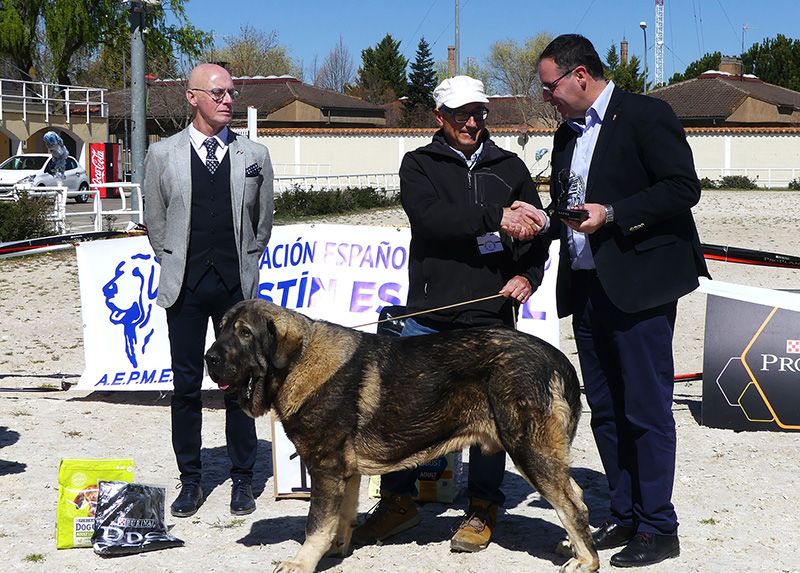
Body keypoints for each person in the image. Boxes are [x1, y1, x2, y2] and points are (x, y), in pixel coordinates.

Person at [526, 34, 710, 567]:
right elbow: (568, 204)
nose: (547, 97)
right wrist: (543, 219)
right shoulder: (567, 135)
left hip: (639, 286)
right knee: (604, 409)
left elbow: (682, 188)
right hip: (585, 286)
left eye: (549, 86)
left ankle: (659, 525)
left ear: (580, 75)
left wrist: (616, 212)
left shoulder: (647, 115)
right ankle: (626, 512)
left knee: (646, 408)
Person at [352, 75, 549, 553]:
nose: (471, 120)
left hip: (491, 313)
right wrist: (495, 218)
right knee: (404, 413)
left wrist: (529, 277)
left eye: (479, 111)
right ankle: (398, 503)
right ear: (439, 116)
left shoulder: (510, 166)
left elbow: (538, 231)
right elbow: (431, 221)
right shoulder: (418, 164)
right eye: (461, 112)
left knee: (493, 417)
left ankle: (482, 509)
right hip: (429, 313)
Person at [143, 63, 274, 518]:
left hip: (235, 290)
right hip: (185, 288)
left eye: (231, 93)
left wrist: (246, 266)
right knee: (185, 386)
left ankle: (242, 479)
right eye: (217, 93)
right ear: (192, 96)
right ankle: (191, 479)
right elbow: (156, 224)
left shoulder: (254, 154)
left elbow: (262, 225)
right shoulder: (162, 156)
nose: (227, 100)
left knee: (239, 383)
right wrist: (176, 259)